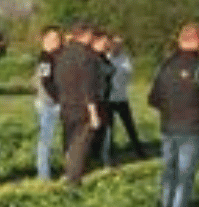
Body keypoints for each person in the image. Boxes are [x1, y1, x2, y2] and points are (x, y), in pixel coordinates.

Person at [148, 23, 199, 207]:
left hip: (168, 127)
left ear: (180, 40)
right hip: (192, 129)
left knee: (168, 174)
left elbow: (153, 99)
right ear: (198, 41)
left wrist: (171, 109)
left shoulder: (165, 65)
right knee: (184, 178)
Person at [54, 21, 102, 187]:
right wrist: (94, 113)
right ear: (86, 34)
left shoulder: (62, 54)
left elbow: (57, 80)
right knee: (79, 145)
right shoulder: (87, 56)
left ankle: (67, 172)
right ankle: (73, 180)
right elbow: (88, 87)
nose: (92, 38)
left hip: (65, 104)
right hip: (82, 106)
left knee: (68, 141)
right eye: (91, 34)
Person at [107, 35, 146, 159]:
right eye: (115, 44)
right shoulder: (107, 57)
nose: (118, 47)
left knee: (129, 125)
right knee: (109, 128)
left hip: (121, 97)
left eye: (120, 44)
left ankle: (139, 150)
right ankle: (110, 152)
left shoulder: (125, 59)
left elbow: (128, 75)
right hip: (109, 98)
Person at [34, 25, 62, 181]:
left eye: (58, 38)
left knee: (49, 139)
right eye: (53, 38)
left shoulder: (54, 56)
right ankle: (43, 175)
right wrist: (58, 98)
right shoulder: (45, 58)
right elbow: (45, 82)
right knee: (45, 140)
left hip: (53, 102)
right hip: (48, 103)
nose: (57, 41)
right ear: (44, 40)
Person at [90, 30, 116, 167]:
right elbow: (107, 70)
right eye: (104, 42)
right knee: (99, 131)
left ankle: (105, 158)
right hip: (96, 98)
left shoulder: (103, 56)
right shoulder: (92, 57)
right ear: (96, 41)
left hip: (105, 97)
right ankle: (101, 159)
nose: (107, 45)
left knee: (106, 129)